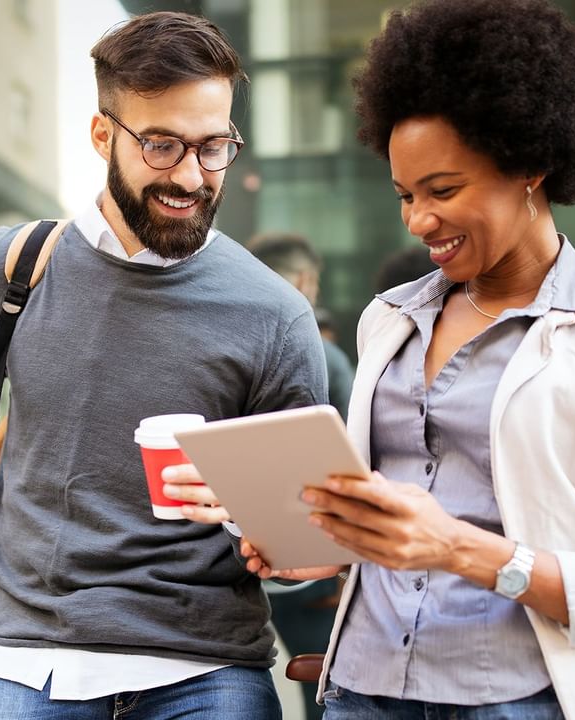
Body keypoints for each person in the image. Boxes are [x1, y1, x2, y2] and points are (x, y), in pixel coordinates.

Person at [0, 11, 327, 719]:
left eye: (214, 146)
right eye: (162, 145)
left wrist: (281, 540)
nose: (192, 175)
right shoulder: (11, 268)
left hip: (207, 663)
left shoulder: (276, 314)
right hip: (26, 653)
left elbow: (293, 533)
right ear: (103, 135)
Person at [235, 2, 575, 718]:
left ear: (530, 165)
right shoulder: (389, 321)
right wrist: (328, 548)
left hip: (520, 700)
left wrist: (460, 550)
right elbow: (395, 524)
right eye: (405, 195)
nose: (418, 220)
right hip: (363, 693)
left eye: (444, 190)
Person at [247, 231, 352, 720]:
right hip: (313, 557)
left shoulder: (231, 342)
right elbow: (357, 456)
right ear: (307, 279)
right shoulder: (324, 354)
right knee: (324, 693)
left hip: (239, 556)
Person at [248, 232, 354, 421]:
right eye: (316, 283)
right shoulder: (327, 357)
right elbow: (350, 430)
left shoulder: (223, 342)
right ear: (305, 281)